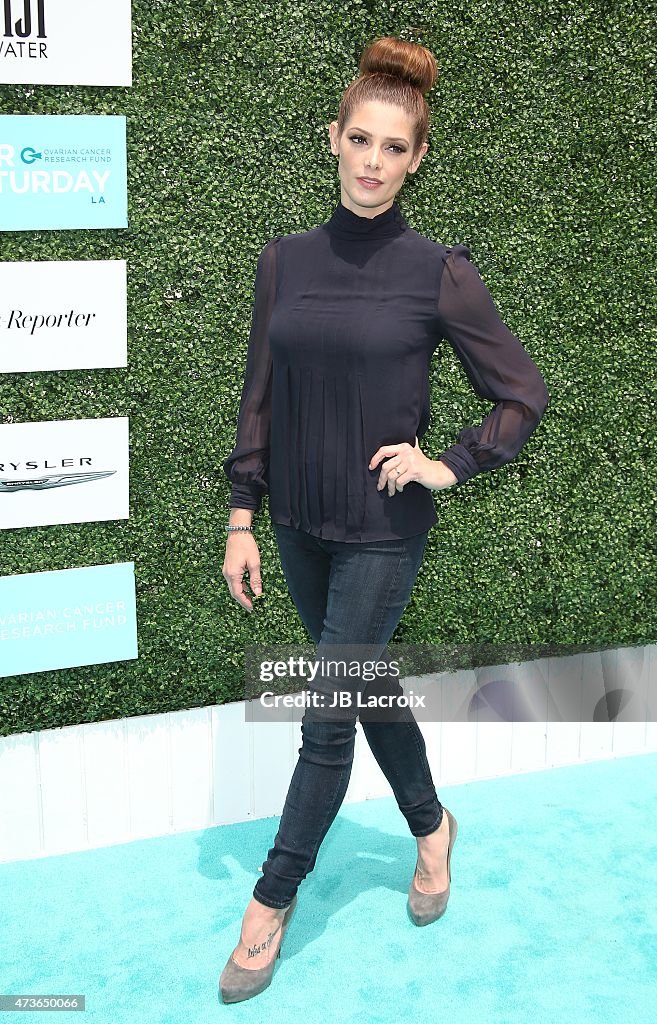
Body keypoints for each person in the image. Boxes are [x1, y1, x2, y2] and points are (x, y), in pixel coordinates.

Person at [219, 35, 549, 1004]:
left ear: (416, 159)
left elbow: (520, 393)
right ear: (333, 139)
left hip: (381, 529)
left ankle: (270, 901)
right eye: (358, 139)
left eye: (393, 148)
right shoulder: (283, 261)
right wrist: (244, 512)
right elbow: (260, 396)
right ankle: (431, 824)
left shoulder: (437, 270)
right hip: (297, 523)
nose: (372, 161)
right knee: (364, 688)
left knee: (327, 715)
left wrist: (447, 461)